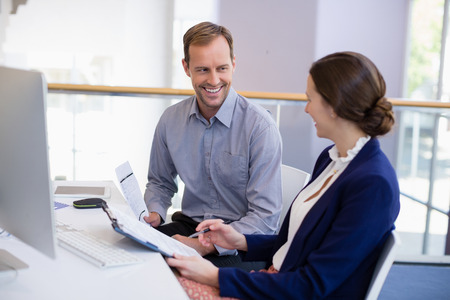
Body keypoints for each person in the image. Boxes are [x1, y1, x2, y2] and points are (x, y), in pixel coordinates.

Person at [166, 51, 401, 299]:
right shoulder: (332, 158)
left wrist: (214, 276)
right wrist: (238, 240)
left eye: (311, 99)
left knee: (168, 286)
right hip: (278, 280)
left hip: (290, 290)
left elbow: (312, 286)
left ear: (335, 105)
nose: (307, 109)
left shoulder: (373, 185)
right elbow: (296, 243)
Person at [143, 22, 283, 269]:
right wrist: (155, 213)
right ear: (186, 68)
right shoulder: (170, 120)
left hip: (239, 241)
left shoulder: (260, 127)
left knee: (177, 275)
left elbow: (265, 219)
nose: (214, 80)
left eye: (222, 68)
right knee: (135, 254)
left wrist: (204, 244)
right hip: (189, 225)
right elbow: (160, 183)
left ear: (234, 64)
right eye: (203, 70)